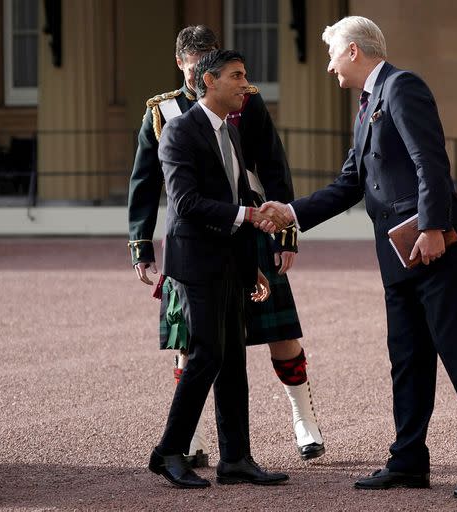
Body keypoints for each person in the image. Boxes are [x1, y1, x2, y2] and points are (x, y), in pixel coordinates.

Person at [260, 16, 457, 499]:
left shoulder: (401, 87)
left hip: (433, 247)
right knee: (407, 359)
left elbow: (430, 162)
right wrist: (290, 212)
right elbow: (349, 182)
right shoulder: (369, 102)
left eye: (332, 55)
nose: (329, 67)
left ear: (353, 51)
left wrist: (434, 226)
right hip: (396, 255)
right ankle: (409, 459)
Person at [127, 25, 324, 466]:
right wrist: (141, 242)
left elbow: (272, 162)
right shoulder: (163, 115)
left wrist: (284, 230)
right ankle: (191, 438)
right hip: (198, 242)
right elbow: (145, 184)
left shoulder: (243, 102)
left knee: (280, 334)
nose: (205, 74)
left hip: (247, 234)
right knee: (193, 343)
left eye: (212, 64)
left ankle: (303, 421)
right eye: (198, 67)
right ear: (182, 64)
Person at [148, 49, 292, 488]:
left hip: (231, 261)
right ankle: (169, 451)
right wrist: (249, 219)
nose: (245, 84)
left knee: (232, 360)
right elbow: (186, 203)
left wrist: (254, 266)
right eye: (237, 75)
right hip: (195, 264)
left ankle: (236, 459)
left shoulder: (231, 132)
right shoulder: (177, 132)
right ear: (208, 81)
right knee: (208, 353)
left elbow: (240, 200)